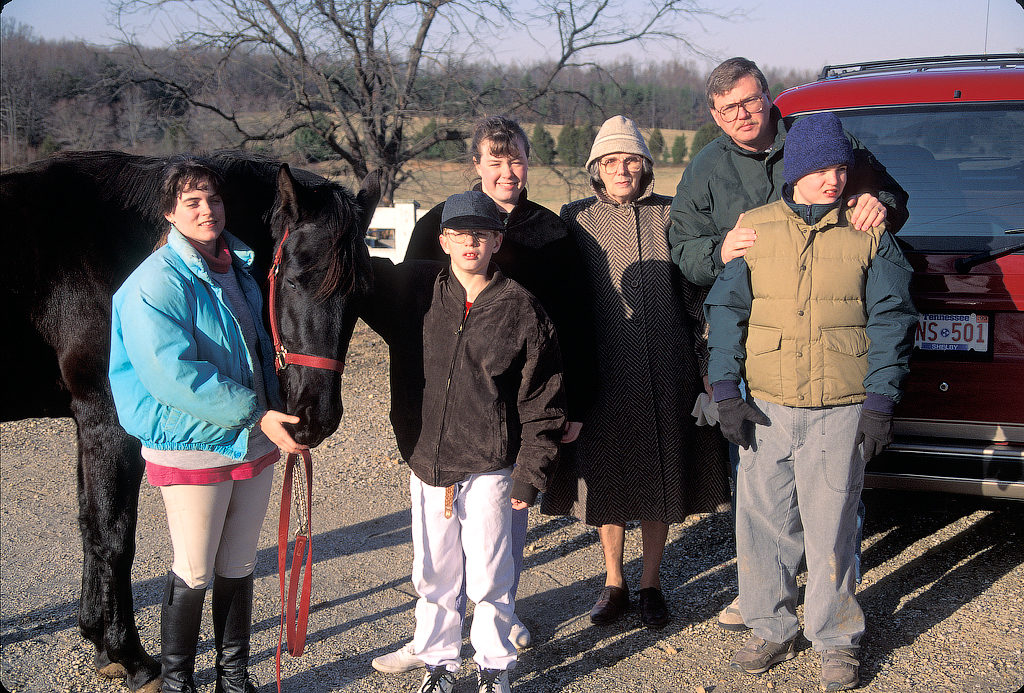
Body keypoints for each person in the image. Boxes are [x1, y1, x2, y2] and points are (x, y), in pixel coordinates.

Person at [668, 57, 910, 631]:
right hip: (756, 346)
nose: (741, 116)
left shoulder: (819, 140)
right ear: (714, 115)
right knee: (761, 490)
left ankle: (827, 601)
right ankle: (767, 598)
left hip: (829, 344)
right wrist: (720, 253)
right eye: (727, 110)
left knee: (831, 496)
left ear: (768, 97)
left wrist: (881, 205)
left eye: (749, 102)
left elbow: (893, 200)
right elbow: (684, 248)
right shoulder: (706, 168)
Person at [703, 112, 918, 691]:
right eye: (821, 167)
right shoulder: (756, 229)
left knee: (832, 527)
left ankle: (836, 637)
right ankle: (771, 626)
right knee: (763, 523)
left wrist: (880, 401)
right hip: (765, 406)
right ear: (795, 171)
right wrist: (724, 390)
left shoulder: (869, 231)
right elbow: (725, 313)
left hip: (840, 406)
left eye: (840, 167)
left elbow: (893, 319)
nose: (834, 178)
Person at [374, 115, 595, 672]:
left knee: (499, 536)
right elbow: (409, 317)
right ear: (476, 165)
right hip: (446, 410)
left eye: (516, 159)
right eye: (494, 161)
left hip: (519, 409)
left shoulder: (551, 233)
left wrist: (576, 404)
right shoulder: (435, 225)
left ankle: (500, 624)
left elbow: (576, 323)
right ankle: (435, 644)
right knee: (437, 553)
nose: (507, 171)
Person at [108, 158, 307, 693]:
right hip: (193, 445)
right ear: (169, 212)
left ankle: (233, 676)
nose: (206, 210)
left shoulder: (238, 268)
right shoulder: (155, 282)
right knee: (194, 568)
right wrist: (257, 412)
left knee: (239, 562)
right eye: (191, 202)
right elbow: (174, 375)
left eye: (212, 200)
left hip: (253, 438)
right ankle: (177, 681)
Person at [362, 190, 566, 693]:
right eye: (459, 233)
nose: (470, 242)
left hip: (492, 466)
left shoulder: (522, 308)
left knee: (491, 576)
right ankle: (438, 663)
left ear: (497, 240)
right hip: (429, 462)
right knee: (433, 575)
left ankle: (494, 666)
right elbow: (350, 274)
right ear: (443, 240)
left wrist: (531, 472)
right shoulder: (416, 293)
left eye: (481, 233)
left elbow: (544, 398)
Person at [540, 116, 730, 629]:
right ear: (596, 169)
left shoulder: (672, 215)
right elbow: (561, 298)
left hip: (669, 371)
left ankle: (650, 583)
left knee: (659, 475)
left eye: (630, 160)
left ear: (644, 166)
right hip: (602, 372)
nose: (621, 170)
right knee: (605, 476)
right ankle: (612, 582)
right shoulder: (576, 220)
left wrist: (709, 366)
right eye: (610, 161)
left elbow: (697, 297)